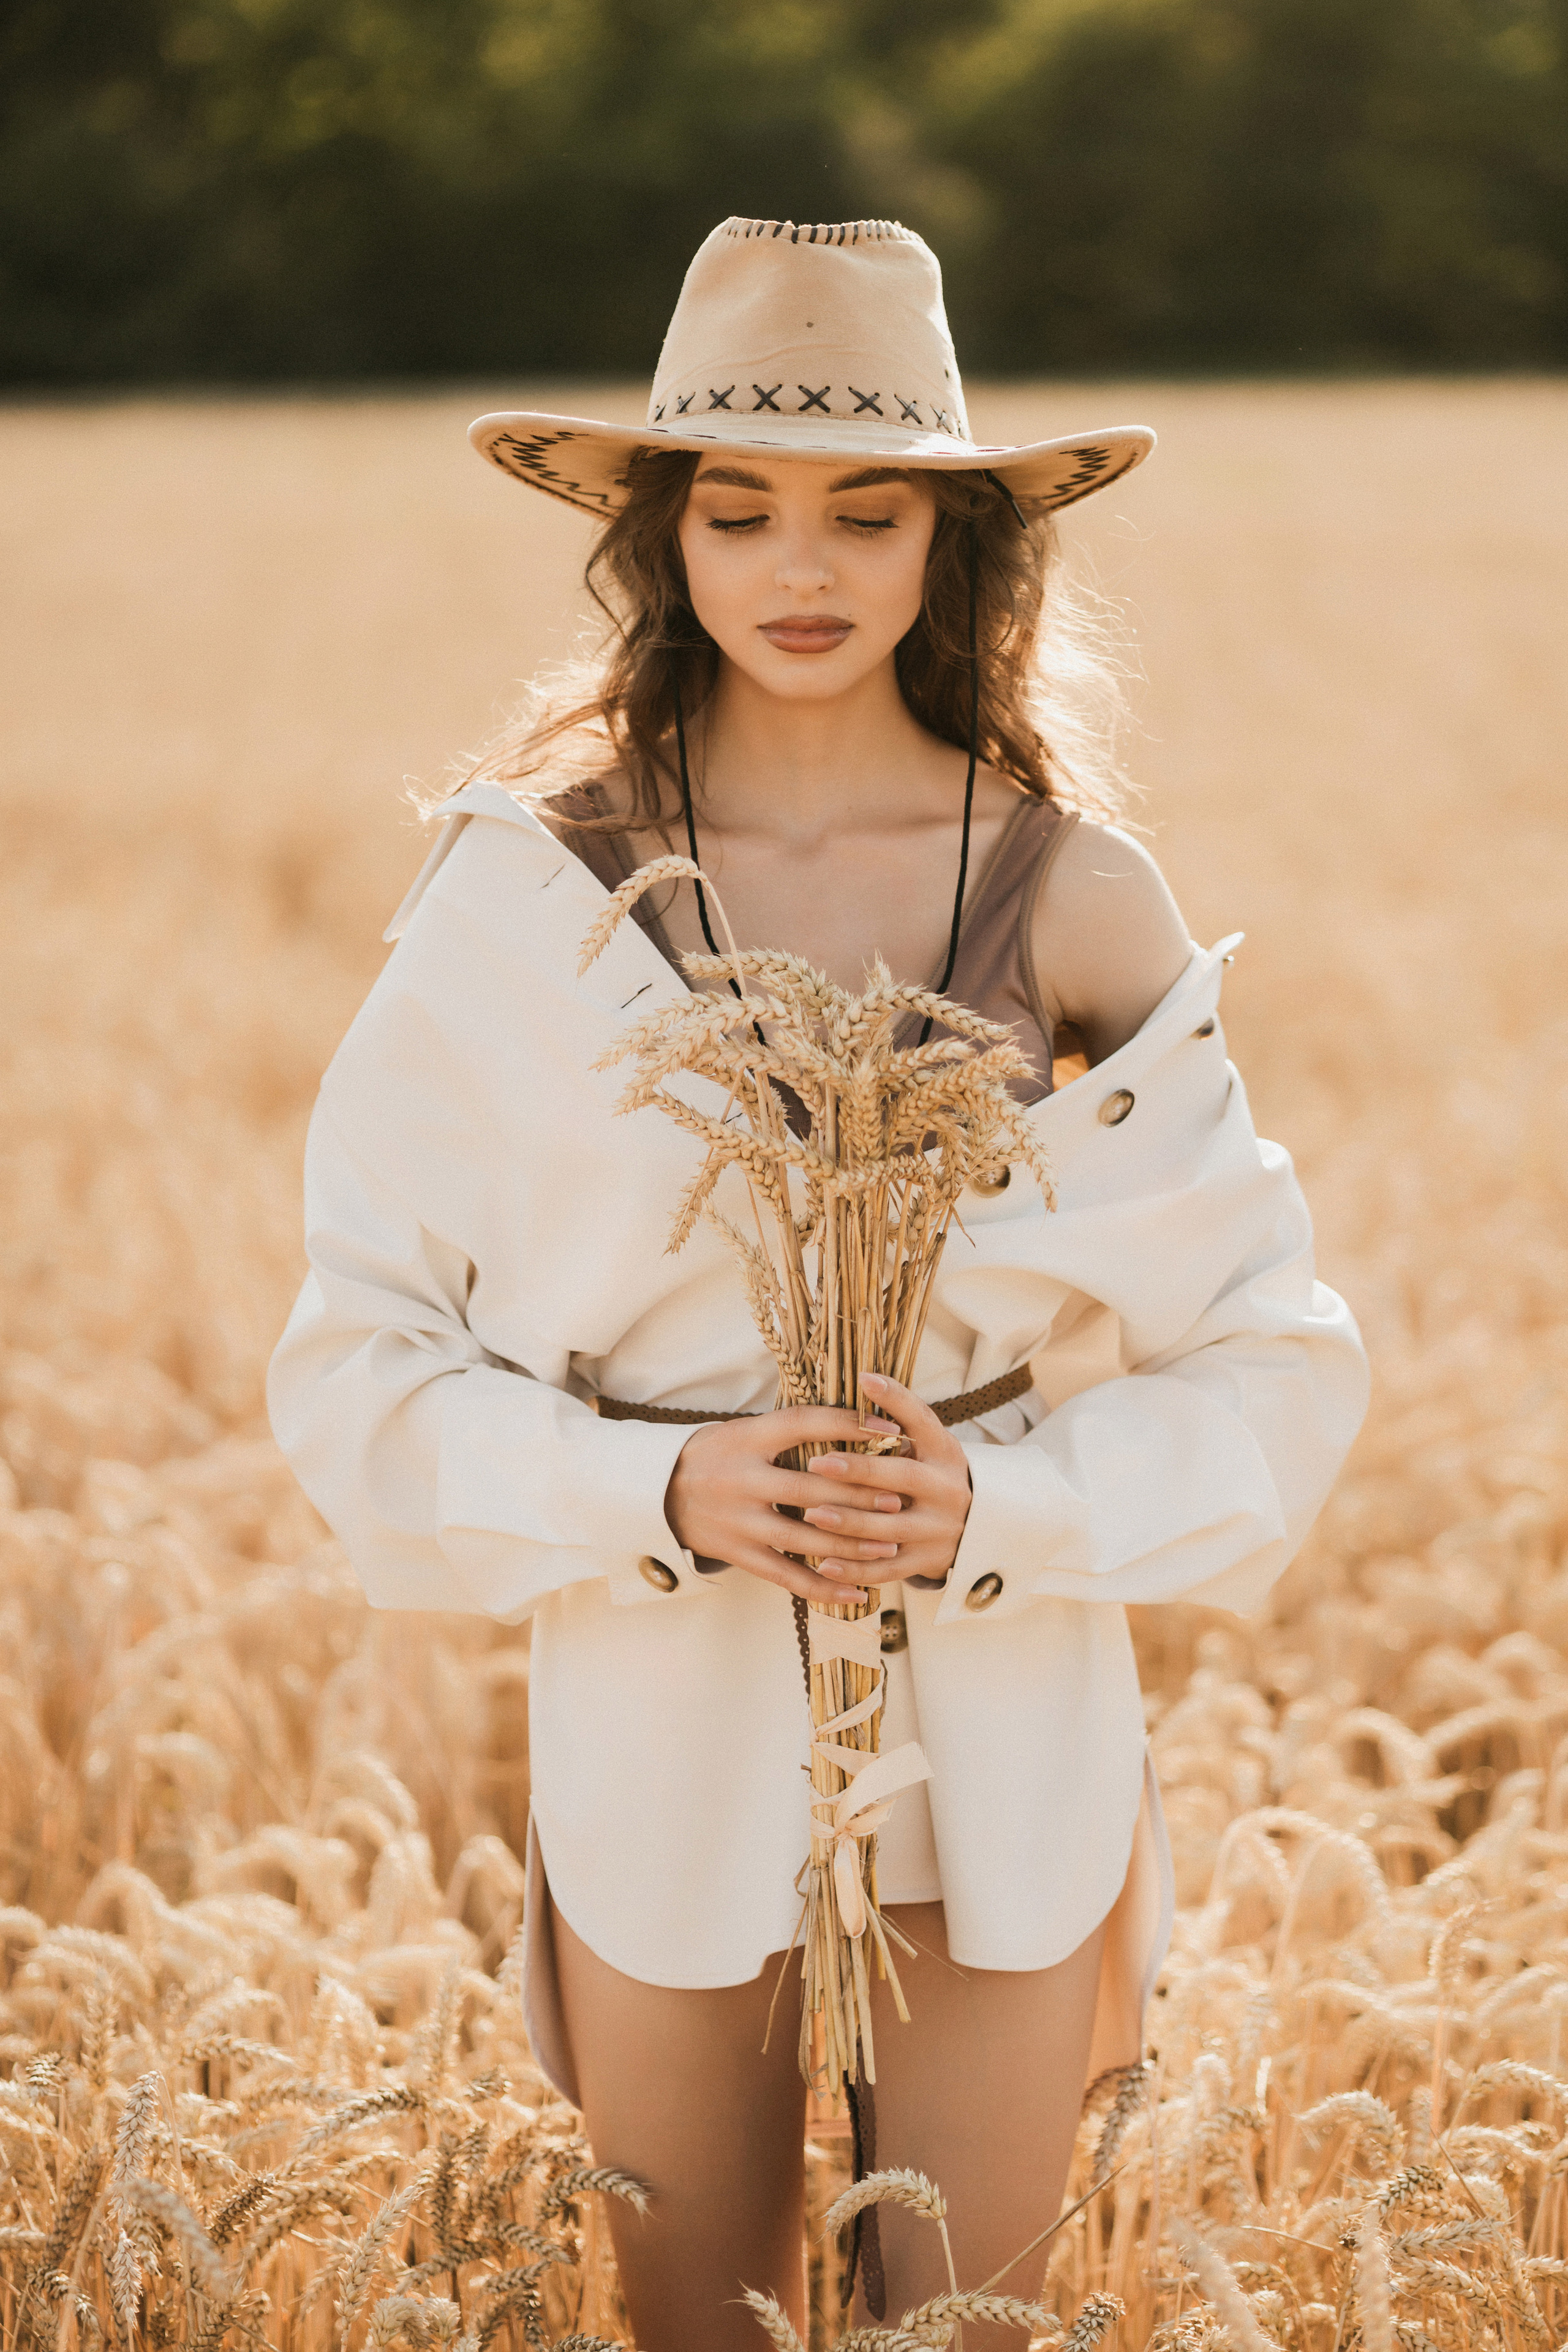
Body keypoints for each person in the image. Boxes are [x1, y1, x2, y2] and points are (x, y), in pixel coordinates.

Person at [269, 217, 1368, 2351]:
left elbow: (1275, 1358)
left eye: (870, 511)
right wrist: (659, 1491)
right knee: (702, 2328)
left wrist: (997, 1508)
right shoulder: (521, 896)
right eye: (740, 507)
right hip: (659, 1719)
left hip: (1005, 1728)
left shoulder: (1074, 888)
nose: (803, 565)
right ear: (661, 535)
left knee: (964, 2326)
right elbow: (355, 1357)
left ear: (952, 543)